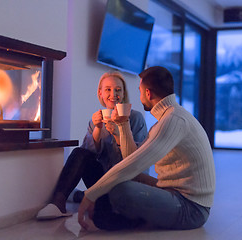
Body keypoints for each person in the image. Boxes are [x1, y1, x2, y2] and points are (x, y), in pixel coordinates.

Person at [78, 66, 216, 231]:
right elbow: (132, 157)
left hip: (191, 209)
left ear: (148, 94)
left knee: (121, 190)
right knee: (126, 181)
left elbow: (134, 164)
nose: (140, 96)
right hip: (172, 190)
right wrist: (123, 124)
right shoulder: (168, 117)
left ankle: (127, 218)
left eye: (140, 91)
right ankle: (115, 213)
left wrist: (90, 194)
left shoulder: (173, 121)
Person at [36, 71, 147, 220]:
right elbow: (85, 157)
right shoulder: (94, 121)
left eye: (118, 89)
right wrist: (98, 129)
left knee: (104, 215)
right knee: (79, 152)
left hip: (125, 183)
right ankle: (58, 203)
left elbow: (137, 161)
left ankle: (80, 196)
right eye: (108, 89)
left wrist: (119, 135)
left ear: (124, 93)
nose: (113, 94)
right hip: (101, 181)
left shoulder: (135, 118)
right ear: (100, 93)